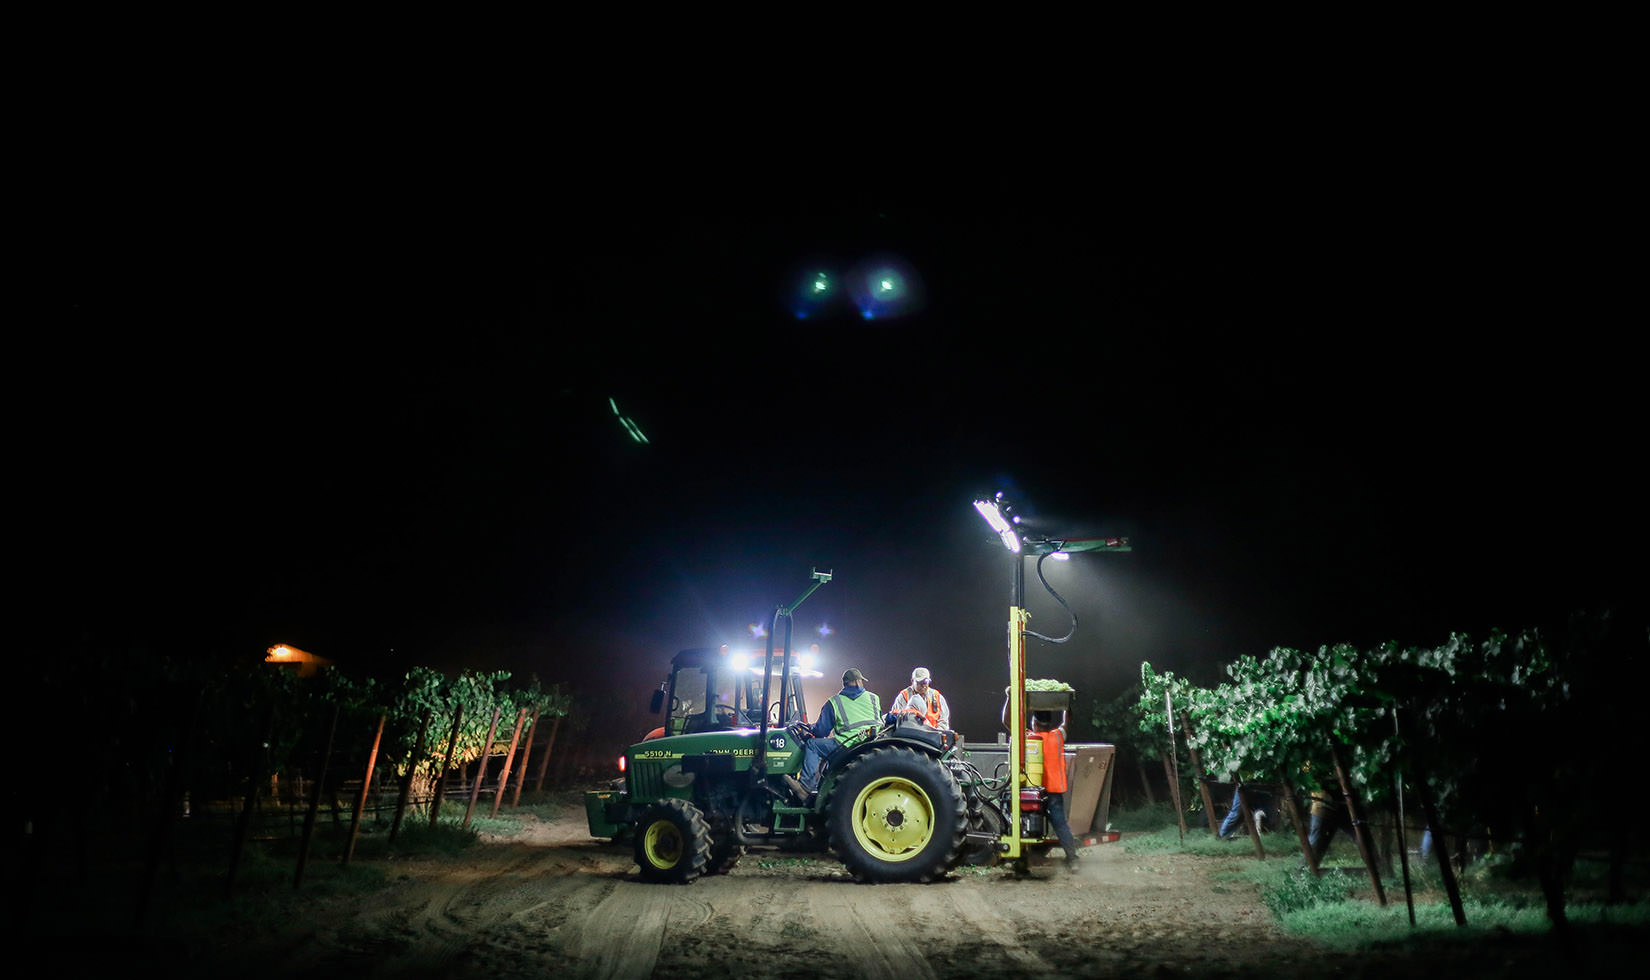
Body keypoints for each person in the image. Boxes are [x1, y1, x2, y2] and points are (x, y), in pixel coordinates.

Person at [797, 667, 883, 795]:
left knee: (812, 745)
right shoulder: (874, 698)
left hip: (846, 745)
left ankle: (806, 787)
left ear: (845, 683)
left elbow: (821, 732)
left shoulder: (834, 702)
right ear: (858, 681)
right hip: (873, 741)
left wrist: (811, 729)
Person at [1030, 711, 1081, 873]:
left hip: (1034, 791)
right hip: (1054, 790)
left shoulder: (1030, 738)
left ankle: (1026, 859)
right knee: (1060, 824)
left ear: (1035, 724)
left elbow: (1007, 722)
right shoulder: (1058, 737)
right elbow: (1066, 723)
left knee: (1027, 824)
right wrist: (1066, 707)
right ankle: (1073, 859)